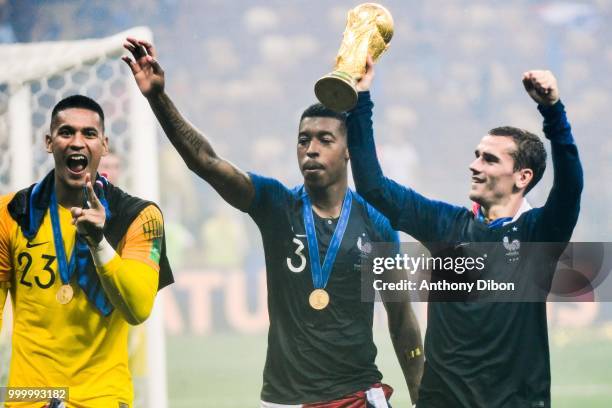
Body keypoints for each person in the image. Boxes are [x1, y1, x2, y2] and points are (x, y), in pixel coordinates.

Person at [123, 38, 423, 407]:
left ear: (347, 151)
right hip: (284, 400)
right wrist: (158, 98)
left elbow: (402, 319)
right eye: (303, 140)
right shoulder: (276, 205)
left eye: (324, 139)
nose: (310, 148)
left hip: (356, 395)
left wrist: (423, 396)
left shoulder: (376, 222)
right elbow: (206, 161)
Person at [347, 58, 583, 408]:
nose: (474, 165)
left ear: (523, 177)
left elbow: (570, 188)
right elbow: (373, 188)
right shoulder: (447, 225)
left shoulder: (537, 234)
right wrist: (361, 97)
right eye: (476, 156)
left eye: (489, 159)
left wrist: (553, 112)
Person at [0, 95, 173, 408]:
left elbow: (138, 309)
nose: (77, 142)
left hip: (102, 398)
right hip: (29, 398)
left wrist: (99, 243)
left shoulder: (139, 216)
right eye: (66, 132)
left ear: (104, 145)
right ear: (49, 142)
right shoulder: (11, 214)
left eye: (89, 134)